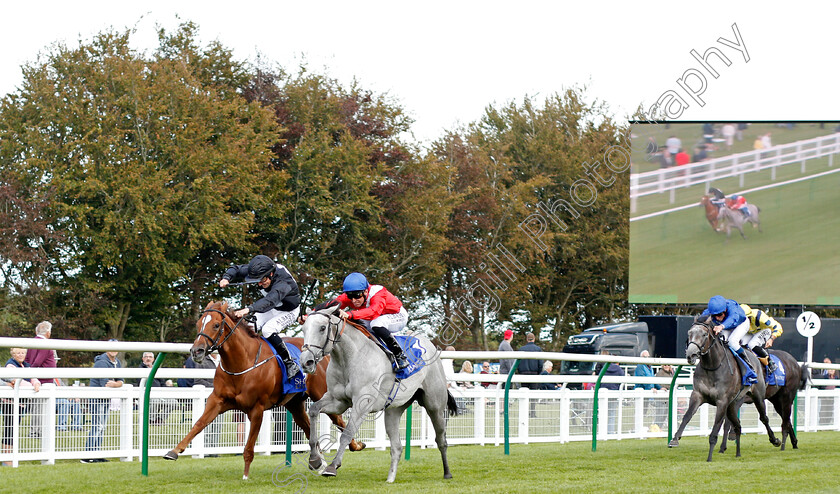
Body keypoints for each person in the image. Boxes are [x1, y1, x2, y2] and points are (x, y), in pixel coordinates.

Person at [304, 272, 410, 371]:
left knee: (375, 324)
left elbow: (374, 312)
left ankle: (400, 355)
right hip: (376, 317)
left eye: (357, 295)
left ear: (366, 291)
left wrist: (350, 314)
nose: (354, 300)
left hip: (396, 315)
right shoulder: (351, 296)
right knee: (355, 324)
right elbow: (331, 304)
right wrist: (309, 315)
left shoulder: (378, 293)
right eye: (350, 296)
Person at [220, 255, 301, 377]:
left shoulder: (283, 282)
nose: (259, 284)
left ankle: (290, 363)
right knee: (249, 326)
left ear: (271, 274)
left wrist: (248, 309)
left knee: (268, 330)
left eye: (262, 280)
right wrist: (226, 278)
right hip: (273, 307)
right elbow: (236, 268)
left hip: (289, 311)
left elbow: (270, 300)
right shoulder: (260, 269)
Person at [82, 340, 123, 463]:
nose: (113, 350)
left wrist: (116, 384)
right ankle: (88, 455)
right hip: (97, 398)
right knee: (97, 425)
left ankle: (97, 453)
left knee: (102, 426)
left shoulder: (117, 362)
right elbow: (105, 384)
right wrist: (117, 384)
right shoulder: (101, 362)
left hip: (106, 398)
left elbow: (121, 381)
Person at [2, 348, 41, 466]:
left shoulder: (26, 366)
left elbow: (33, 378)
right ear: (13, 354)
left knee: (14, 429)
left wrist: (37, 383)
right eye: (18, 353)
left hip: (20, 402)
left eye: (23, 353)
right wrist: (31, 385)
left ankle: (10, 457)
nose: (21, 355)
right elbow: (18, 382)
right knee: (9, 429)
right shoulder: (10, 365)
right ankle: (7, 459)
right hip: (9, 402)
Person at [700, 295, 753, 373]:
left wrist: (721, 326)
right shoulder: (711, 310)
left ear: (725, 309)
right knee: (720, 341)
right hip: (726, 327)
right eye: (714, 315)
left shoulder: (732, 307)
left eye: (719, 315)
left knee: (732, 342)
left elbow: (733, 319)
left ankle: (748, 365)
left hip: (741, 324)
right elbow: (701, 319)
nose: (717, 318)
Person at [23, 321, 55, 438]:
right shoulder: (44, 344)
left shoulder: (32, 342)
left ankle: (36, 431)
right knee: (40, 409)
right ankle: (36, 432)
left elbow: (27, 360)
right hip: (43, 381)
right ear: (48, 333)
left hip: (36, 379)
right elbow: (37, 362)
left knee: (37, 407)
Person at [738, 304, 783, 373]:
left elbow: (778, 327)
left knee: (752, 344)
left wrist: (771, 339)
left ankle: (770, 362)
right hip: (752, 332)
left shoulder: (760, 317)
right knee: (740, 343)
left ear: (750, 316)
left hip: (765, 330)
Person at [138, 352, 176, 425]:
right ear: (143, 359)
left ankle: (160, 419)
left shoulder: (157, 369)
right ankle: (150, 420)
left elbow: (162, 383)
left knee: (173, 402)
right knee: (155, 400)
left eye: (150, 357)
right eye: (146, 357)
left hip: (160, 393)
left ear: (153, 359)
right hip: (147, 394)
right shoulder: (140, 369)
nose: (148, 358)